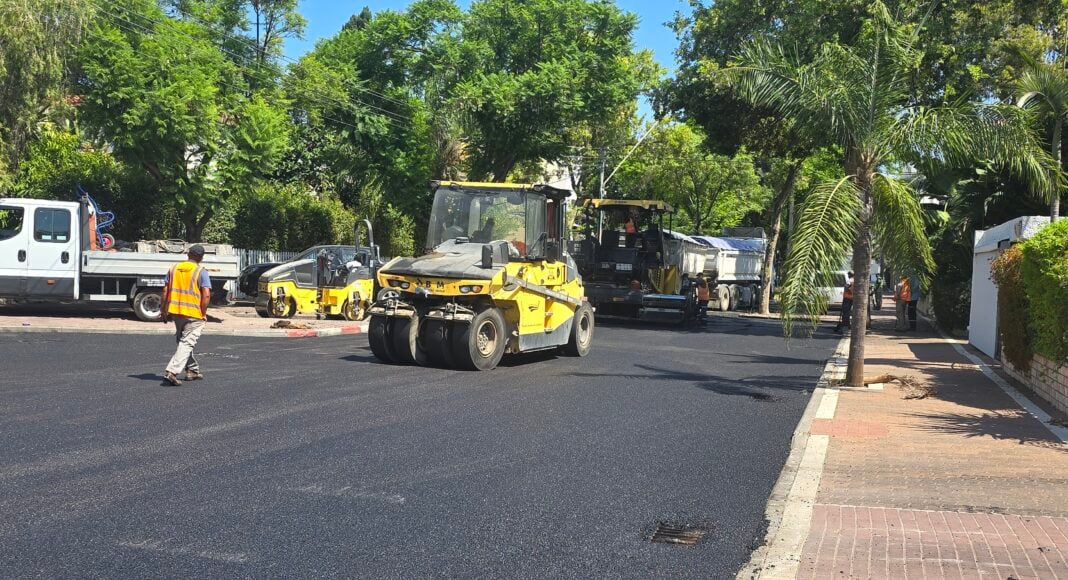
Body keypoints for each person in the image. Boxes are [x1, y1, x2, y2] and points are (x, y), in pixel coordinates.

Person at [160, 244, 212, 386]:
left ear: (188, 254)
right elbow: (206, 295)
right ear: (201, 258)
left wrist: (163, 310)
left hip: (177, 312)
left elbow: (165, 291)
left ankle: (192, 371)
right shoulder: (201, 271)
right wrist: (203, 313)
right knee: (187, 343)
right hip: (194, 314)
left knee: (183, 342)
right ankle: (172, 371)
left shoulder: (174, 268)